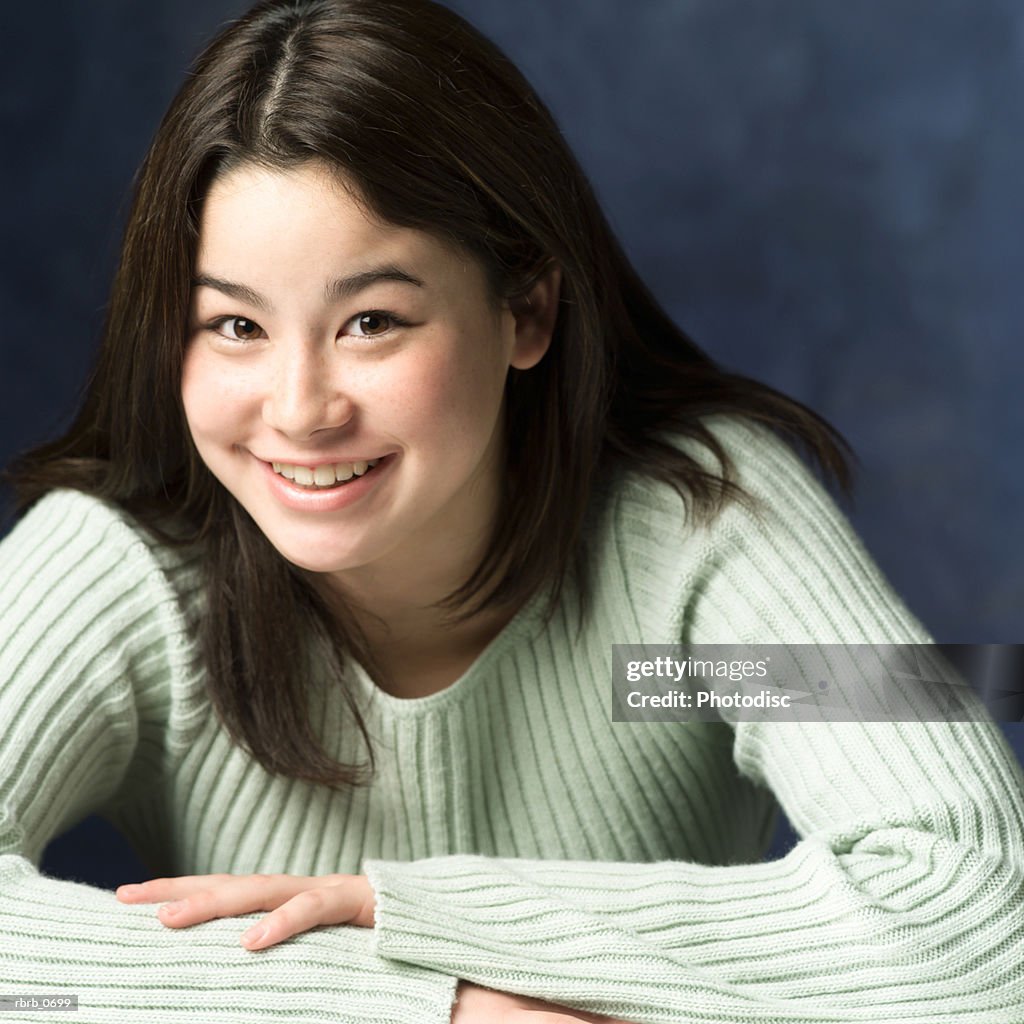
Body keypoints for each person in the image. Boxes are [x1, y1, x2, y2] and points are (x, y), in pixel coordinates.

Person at [1, 0, 1022, 1021]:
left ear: (526, 310)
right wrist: (432, 1007)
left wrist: (422, 913)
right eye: (232, 324)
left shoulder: (704, 527)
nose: (301, 409)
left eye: (372, 321)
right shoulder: (122, 562)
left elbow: (979, 911)